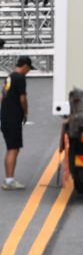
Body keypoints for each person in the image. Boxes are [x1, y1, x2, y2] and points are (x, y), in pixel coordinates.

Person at [1, 55, 32, 190]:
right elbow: (23, 99)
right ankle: (9, 181)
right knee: (13, 149)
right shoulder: (20, 78)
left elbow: (2, 95)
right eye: (29, 69)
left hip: (5, 117)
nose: (28, 71)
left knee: (10, 149)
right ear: (25, 65)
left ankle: (8, 179)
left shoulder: (10, 77)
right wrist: (25, 113)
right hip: (13, 119)